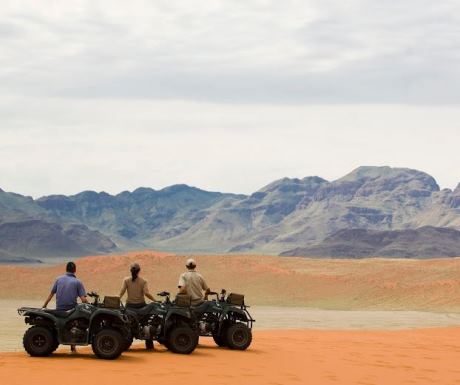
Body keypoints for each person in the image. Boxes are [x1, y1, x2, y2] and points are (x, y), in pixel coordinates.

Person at [42, 261, 88, 352]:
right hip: (71, 310)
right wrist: (89, 304)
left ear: (66, 269)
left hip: (59, 309)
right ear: (75, 270)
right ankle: (73, 346)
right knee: (82, 318)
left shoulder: (58, 279)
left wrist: (44, 306)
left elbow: (51, 294)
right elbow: (83, 299)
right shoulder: (77, 282)